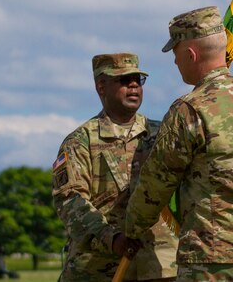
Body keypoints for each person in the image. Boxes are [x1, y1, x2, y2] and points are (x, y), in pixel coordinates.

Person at [124, 6, 233, 281]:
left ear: (190, 54)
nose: (175, 63)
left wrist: (130, 229)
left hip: (213, 257)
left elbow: (155, 183)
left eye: (175, 54)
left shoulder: (190, 109)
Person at [52, 53, 178, 282]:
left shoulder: (164, 135)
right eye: (123, 80)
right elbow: (70, 200)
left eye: (137, 80)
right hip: (101, 268)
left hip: (159, 267)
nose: (133, 86)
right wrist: (112, 238)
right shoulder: (81, 141)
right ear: (101, 86)